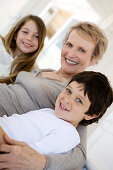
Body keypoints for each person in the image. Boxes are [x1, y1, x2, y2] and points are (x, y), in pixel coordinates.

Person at [0, 22, 108, 170]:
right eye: (69, 45)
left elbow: (79, 155)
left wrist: (42, 163)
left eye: (82, 50)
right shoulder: (46, 71)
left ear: (93, 60)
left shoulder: (74, 97)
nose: (70, 53)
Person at [0, 71, 112, 156]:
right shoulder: (49, 111)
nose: (67, 99)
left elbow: (24, 156)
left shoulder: (69, 134)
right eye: (68, 91)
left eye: (79, 100)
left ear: (90, 115)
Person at [0, 14, 46, 82]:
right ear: (16, 34)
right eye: (25, 32)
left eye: (36, 36)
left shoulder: (33, 72)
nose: (29, 38)